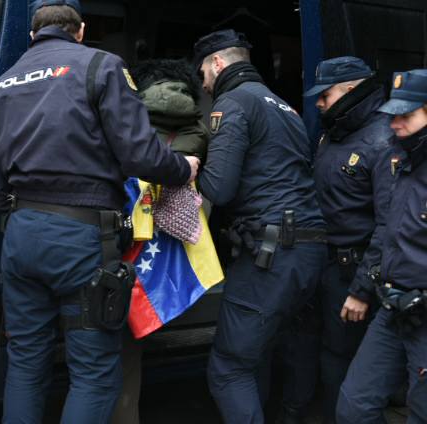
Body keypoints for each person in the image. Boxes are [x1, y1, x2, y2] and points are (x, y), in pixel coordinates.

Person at [0, 1, 200, 423]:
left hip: (20, 235)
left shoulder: (0, 85)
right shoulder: (103, 67)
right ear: (80, 30)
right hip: (82, 238)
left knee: (25, 364)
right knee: (95, 373)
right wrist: (181, 168)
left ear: (32, 35)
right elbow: (141, 156)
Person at [193, 29, 327, 423]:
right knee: (263, 352)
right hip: (308, 247)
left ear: (218, 63)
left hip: (271, 253)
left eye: (202, 71)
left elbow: (220, 185)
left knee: (229, 368)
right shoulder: (284, 106)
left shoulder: (233, 103)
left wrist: (189, 166)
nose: (202, 83)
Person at [289, 56, 394, 423]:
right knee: (311, 351)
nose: (319, 103)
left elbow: (389, 225)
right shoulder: (329, 134)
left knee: (343, 364)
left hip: (356, 272)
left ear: (351, 91)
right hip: (323, 264)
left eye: (326, 95)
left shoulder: (384, 140)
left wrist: (363, 289)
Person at [109, 58, 210, 424]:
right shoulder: (197, 128)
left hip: (120, 240)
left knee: (110, 344)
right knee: (130, 346)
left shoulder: (125, 119)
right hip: (168, 243)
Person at [336, 69, 427, 424]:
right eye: (394, 113)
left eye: (407, 114)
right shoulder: (396, 160)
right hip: (393, 309)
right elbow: (386, 232)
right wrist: (363, 288)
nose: (395, 123)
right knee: (353, 408)